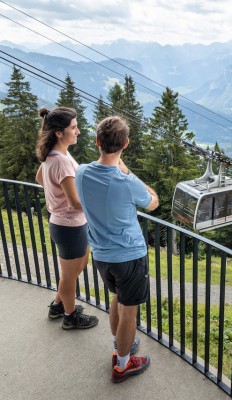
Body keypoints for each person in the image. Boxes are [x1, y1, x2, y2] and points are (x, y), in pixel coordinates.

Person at [75, 115, 159, 383]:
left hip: (101, 255)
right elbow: (153, 203)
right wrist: (128, 172)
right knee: (129, 309)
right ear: (126, 144)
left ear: (97, 141)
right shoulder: (125, 181)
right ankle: (123, 365)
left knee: (117, 299)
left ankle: (119, 346)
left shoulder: (82, 172)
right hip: (129, 256)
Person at [35, 106, 99, 330]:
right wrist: (99, 209)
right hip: (69, 226)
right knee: (70, 275)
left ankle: (57, 305)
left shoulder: (55, 153)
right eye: (74, 127)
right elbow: (75, 203)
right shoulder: (61, 161)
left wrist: (55, 197)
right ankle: (70, 317)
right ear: (59, 133)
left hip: (68, 224)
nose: (78, 131)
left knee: (78, 266)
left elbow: (39, 177)